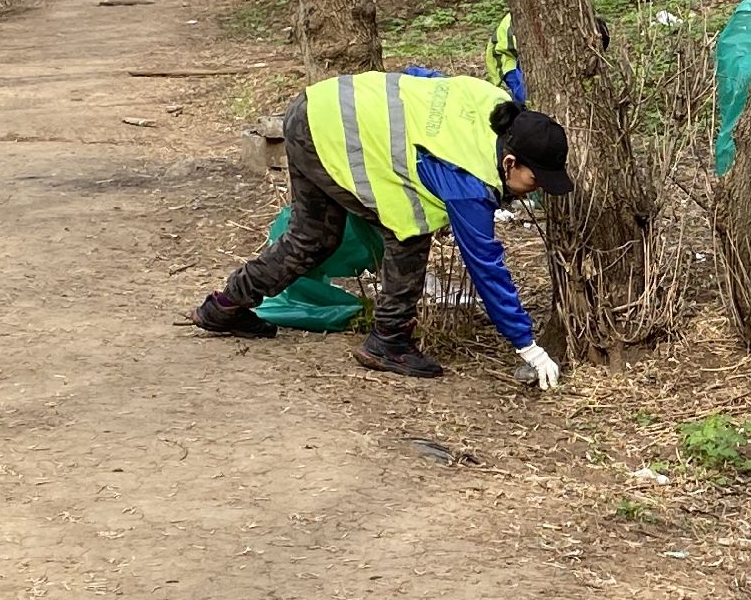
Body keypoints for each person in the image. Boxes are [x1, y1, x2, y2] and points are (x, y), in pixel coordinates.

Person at [187, 71, 571, 389]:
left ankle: (225, 306)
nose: (535, 190)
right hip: (335, 133)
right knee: (410, 228)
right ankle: (389, 339)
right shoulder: (469, 183)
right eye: (534, 181)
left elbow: (422, 79)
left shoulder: (493, 102)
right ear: (509, 162)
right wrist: (527, 344)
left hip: (320, 106)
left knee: (313, 237)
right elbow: (485, 268)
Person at [484, 13, 611, 104]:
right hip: (506, 56)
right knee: (527, 96)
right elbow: (526, 51)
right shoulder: (533, 26)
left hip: (521, 48)